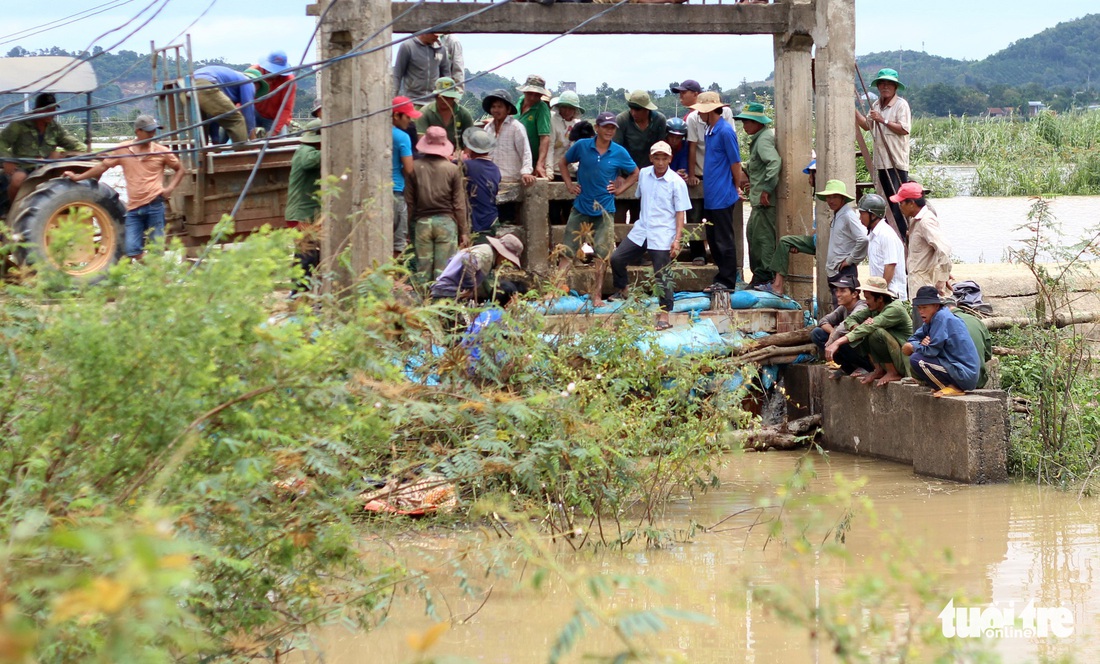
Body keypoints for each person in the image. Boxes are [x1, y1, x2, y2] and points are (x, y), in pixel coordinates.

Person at [63, 114, 182, 260]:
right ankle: (159, 275)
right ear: (138, 131)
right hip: (134, 208)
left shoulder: (161, 151)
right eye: (149, 131)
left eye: (154, 131)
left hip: (154, 205)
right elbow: (103, 166)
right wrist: (78, 177)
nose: (152, 134)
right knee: (132, 250)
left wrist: (169, 189)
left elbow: (180, 169)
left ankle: (158, 279)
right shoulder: (123, 149)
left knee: (156, 250)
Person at [558, 111, 639, 307]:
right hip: (581, 206)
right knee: (567, 250)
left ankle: (597, 295)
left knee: (602, 255)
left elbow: (635, 173)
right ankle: (556, 290)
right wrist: (569, 185)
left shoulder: (619, 152)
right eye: (606, 127)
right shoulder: (582, 146)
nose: (609, 131)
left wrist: (620, 189)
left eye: (612, 128)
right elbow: (563, 162)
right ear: (597, 128)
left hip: (605, 210)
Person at [609, 141, 691, 330]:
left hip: (663, 232)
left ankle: (665, 314)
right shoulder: (645, 174)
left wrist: (677, 239)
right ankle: (623, 289)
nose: (660, 162)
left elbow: (680, 213)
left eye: (664, 158)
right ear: (651, 158)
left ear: (670, 159)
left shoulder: (676, 182)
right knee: (617, 258)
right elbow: (640, 196)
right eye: (657, 158)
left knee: (662, 275)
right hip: (643, 228)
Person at [690, 91, 745, 291]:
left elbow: (735, 162)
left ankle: (727, 281)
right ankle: (721, 277)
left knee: (724, 240)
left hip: (722, 194)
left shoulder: (724, 131)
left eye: (701, 111)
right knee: (713, 239)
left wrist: (736, 186)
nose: (699, 115)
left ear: (710, 111)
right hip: (711, 195)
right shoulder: (710, 131)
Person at [825, 276, 913, 388]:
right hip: (892, 356)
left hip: (904, 359)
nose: (865, 302)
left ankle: (892, 372)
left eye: (868, 298)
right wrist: (858, 326)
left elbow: (869, 328)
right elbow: (849, 320)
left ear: (880, 298)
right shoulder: (874, 308)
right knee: (865, 331)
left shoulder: (894, 309)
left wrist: (836, 343)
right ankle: (878, 370)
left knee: (875, 332)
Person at [1, 93, 86, 205]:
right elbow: (1, 141)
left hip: (47, 168)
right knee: (18, 180)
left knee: (58, 158)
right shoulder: (20, 124)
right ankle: (13, 209)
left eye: (53, 109)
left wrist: (93, 153)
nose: (52, 113)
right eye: (48, 109)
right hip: (24, 166)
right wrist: (8, 159)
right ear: (38, 110)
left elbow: (73, 144)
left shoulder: (55, 127)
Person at [855, 68, 912, 238]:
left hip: (895, 165)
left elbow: (903, 129)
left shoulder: (901, 105)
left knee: (896, 207)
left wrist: (883, 120)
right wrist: (853, 110)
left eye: (889, 84)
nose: (885, 87)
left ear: (895, 87)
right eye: (882, 83)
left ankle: (901, 240)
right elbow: (867, 125)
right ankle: (887, 240)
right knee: (884, 205)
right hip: (880, 164)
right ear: (878, 86)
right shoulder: (876, 105)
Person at [406, 126, 468, 282]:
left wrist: (407, 229)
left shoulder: (414, 167)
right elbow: (459, 204)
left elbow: (409, 202)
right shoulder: (452, 169)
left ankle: (423, 303)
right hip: (446, 224)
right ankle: (440, 303)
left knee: (422, 270)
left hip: (422, 224)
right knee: (444, 271)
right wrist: (464, 231)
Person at [903, 286, 981, 397]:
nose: (921, 312)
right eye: (919, 308)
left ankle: (951, 387)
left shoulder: (941, 318)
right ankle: (947, 386)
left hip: (964, 374)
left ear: (936, 305)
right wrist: (918, 343)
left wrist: (915, 346)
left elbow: (931, 351)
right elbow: (913, 339)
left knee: (917, 359)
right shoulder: (932, 319)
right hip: (956, 369)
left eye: (924, 307)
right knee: (917, 356)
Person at [735, 103, 780, 288]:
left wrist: (767, 189)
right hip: (758, 200)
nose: (744, 126)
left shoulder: (763, 140)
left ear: (757, 123)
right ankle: (759, 276)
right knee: (753, 235)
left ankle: (765, 278)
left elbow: (774, 162)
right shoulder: (760, 138)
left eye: (747, 122)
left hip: (764, 201)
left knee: (763, 240)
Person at [763, 155, 820, 296]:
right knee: (786, 242)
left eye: (811, 175)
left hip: (820, 242)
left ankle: (777, 285)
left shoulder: (825, 197)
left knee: (784, 241)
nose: (809, 179)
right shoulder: (819, 196)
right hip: (815, 240)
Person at [890, 181, 952, 304]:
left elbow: (945, 249)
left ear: (912, 203)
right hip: (917, 284)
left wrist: (942, 278)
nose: (900, 207)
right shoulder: (915, 220)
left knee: (923, 320)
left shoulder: (926, 221)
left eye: (901, 203)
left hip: (925, 286)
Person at [283, 119, 323, 287]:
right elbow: (309, 162)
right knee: (306, 254)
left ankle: (304, 291)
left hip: (307, 213)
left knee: (312, 254)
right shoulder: (305, 151)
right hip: (301, 214)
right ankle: (297, 293)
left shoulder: (308, 149)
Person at [814, 180, 867, 306]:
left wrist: (850, 260)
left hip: (844, 271)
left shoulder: (848, 215)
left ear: (842, 198)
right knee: (839, 310)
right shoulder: (838, 214)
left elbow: (863, 238)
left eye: (835, 197)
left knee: (846, 308)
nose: (830, 200)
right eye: (828, 197)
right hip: (836, 271)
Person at [809, 275, 872, 378]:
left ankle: (866, 367)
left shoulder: (861, 307)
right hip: (849, 345)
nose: (838, 294)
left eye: (842, 291)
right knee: (817, 333)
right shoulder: (843, 308)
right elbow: (823, 321)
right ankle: (848, 368)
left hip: (866, 352)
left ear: (854, 294)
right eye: (837, 290)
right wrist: (833, 331)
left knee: (842, 339)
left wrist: (835, 335)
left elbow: (845, 325)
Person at [430, 233, 524, 301]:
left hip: (443, 291)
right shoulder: (486, 254)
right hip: (448, 294)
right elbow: (467, 262)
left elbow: (452, 260)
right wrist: (470, 287)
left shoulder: (483, 250)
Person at [858, 193, 907, 301]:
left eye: (862, 214)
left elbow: (890, 265)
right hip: (881, 293)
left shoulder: (886, 234)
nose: (860, 217)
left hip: (891, 294)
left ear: (873, 215)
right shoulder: (874, 234)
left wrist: (881, 292)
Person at [193, 65, 258, 145]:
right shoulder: (247, 81)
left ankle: (203, 154)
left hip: (186, 85)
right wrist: (253, 140)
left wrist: (215, 142)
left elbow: (216, 116)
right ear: (256, 83)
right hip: (204, 84)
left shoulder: (230, 84)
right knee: (236, 119)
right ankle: (243, 154)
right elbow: (248, 109)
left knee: (203, 125)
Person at [482, 89, 534, 186]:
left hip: (511, 180)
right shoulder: (488, 128)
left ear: (508, 109)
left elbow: (525, 151)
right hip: (491, 180)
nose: (496, 110)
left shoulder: (516, 127)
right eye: (493, 107)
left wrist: (526, 172)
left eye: (500, 107)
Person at [392, 96, 421, 257]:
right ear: (396, 116)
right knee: (398, 243)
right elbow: (409, 169)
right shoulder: (402, 137)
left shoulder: (375, 131)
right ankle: (392, 278)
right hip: (396, 191)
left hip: (377, 191)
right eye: (407, 117)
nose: (409, 121)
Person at [461, 126, 501, 242]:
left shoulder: (468, 165)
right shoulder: (495, 169)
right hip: (491, 217)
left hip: (476, 219)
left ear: (471, 149)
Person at [944, 295, 993, 389]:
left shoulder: (942, 322)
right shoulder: (977, 321)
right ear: (956, 306)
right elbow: (987, 355)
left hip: (957, 382)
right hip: (979, 380)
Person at [415, 77, 473, 153]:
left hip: (456, 155)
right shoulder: (425, 112)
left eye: (448, 97)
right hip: (431, 155)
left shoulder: (463, 114)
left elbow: (470, 140)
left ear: (453, 98)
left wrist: (464, 156)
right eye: (442, 97)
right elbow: (421, 140)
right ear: (436, 96)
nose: (444, 100)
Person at [392, 32, 449, 105]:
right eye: (434, 35)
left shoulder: (441, 49)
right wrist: (393, 97)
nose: (436, 38)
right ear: (425, 32)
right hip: (412, 101)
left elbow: (446, 74)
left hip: (434, 102)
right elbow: (397, 74)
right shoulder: (407, 46)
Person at [515, 75, 553, 179]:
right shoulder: (520, 101)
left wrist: (540, 164)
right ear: (524, 92)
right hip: (516, 157)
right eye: (530, 93)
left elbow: (544, 137)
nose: (532, 97)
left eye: (537, 95)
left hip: (531, 159)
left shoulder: (542, 109)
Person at [250, 50, 296, 136]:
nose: (271, 73)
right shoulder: (253, 72)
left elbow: (286, 108)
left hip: (274, 117)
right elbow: (241, 97)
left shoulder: (288, 81)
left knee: (281, 140)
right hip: (253, 111)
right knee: (233, 124)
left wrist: (275, 131)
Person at [548, 91, 583, 180]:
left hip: (572, 170)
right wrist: (549, 170)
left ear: (575, 109)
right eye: (564, 107)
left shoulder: (577, 124)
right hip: (554, 169)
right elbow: (550, 146)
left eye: (570, 108)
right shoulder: (552, 121)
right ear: (559, 107)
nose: (567, 111)